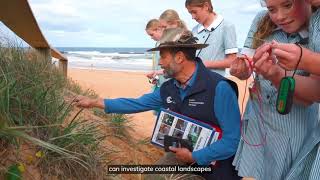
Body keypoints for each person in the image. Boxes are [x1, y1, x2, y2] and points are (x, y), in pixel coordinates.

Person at [75, 28, 241, 180]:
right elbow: (137, 103)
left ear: (179, 57)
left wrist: (195, 157)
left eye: (163, 56)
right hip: (183, 157)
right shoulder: (168, 88)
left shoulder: (219, 88)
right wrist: (95, 102)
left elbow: (232, 141)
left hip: (217, 169)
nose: (160, 63)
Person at [229, 0, 319, 180]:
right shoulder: (261, 20)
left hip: (292, 127)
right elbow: (245, 58)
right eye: (271, 9)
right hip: (258, 118)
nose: (279, 16)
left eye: (288, 5)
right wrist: (242, 69)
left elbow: (310, 96)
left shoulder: (315, 29)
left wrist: (277, 75)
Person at [185, 0, 238, 76]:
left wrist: (204, 63)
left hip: (215, 83)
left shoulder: (227, 26)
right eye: (190, 13)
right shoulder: (194, 30)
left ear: (206, 6)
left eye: (194, 12)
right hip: (194, 82)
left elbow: (232, 61)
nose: (192, 17)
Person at [145, 19, 166, 88]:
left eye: (152, 34)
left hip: (167, 83)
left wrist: (156, 73)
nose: (151, 37)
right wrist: (154, 77)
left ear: (158, 29)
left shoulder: (167, 43)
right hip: (158, 83)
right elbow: (156, 65)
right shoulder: (157, 44)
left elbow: (171, 67)